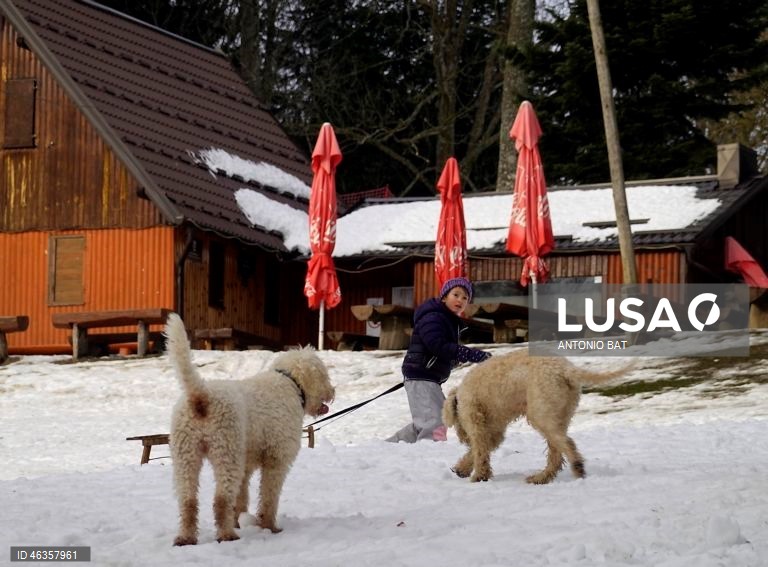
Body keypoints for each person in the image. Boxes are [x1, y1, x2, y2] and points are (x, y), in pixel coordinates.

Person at [386, 276, 492, 443]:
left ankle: (389, 448)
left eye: (465, 298)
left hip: (426, 375)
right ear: (444, 296)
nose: (460, 300)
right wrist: (468, 354)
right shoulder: (434, 316)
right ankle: (429, 454)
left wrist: (452, 360)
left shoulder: (446, 319)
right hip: (421, 373)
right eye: (456, 294)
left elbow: (439, 350)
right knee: (434, 421)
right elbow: (436, 344)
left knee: (428, 420)